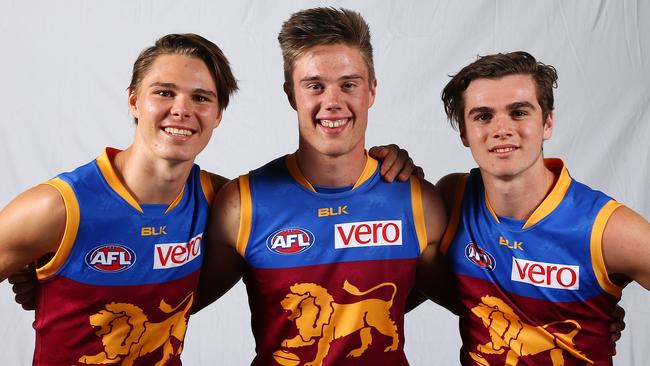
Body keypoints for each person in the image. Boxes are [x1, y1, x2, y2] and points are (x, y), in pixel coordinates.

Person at [0, 32, 419, 365]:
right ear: (133, 101)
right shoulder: (56, 207)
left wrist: (395, 166)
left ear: (218, 114)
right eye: (164, 92)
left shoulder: (223, 199)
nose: (182, 109)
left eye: (201, 97)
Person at [192, 7, 450, 365]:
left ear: (371, 90)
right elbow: (175, 307)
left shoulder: (416, 198)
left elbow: (472, 300)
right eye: (314, 86)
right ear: (290, 94)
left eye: (349, 84)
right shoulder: (242, 204)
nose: (332, 102)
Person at [436, 51, 650, 365]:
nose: (501, 129)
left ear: (546, 122)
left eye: (519, 112)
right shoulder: (452, 198)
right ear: (465, 133)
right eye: (483, 116)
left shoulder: (606, 228)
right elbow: (418, 281)